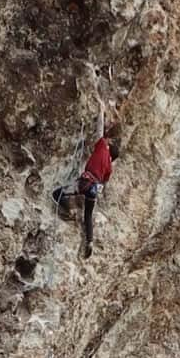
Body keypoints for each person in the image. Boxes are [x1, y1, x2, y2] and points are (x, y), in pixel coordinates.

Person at [52, 101, 121, 258]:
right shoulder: (110, 167)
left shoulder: (103, 146)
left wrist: (101, 111)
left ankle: (69, 212)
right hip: (94, 189)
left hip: (84, 183)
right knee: (88, 215)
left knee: (56, 194)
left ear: (109, 148)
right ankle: (89, 242)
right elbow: (104, 183)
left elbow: (99, 130)